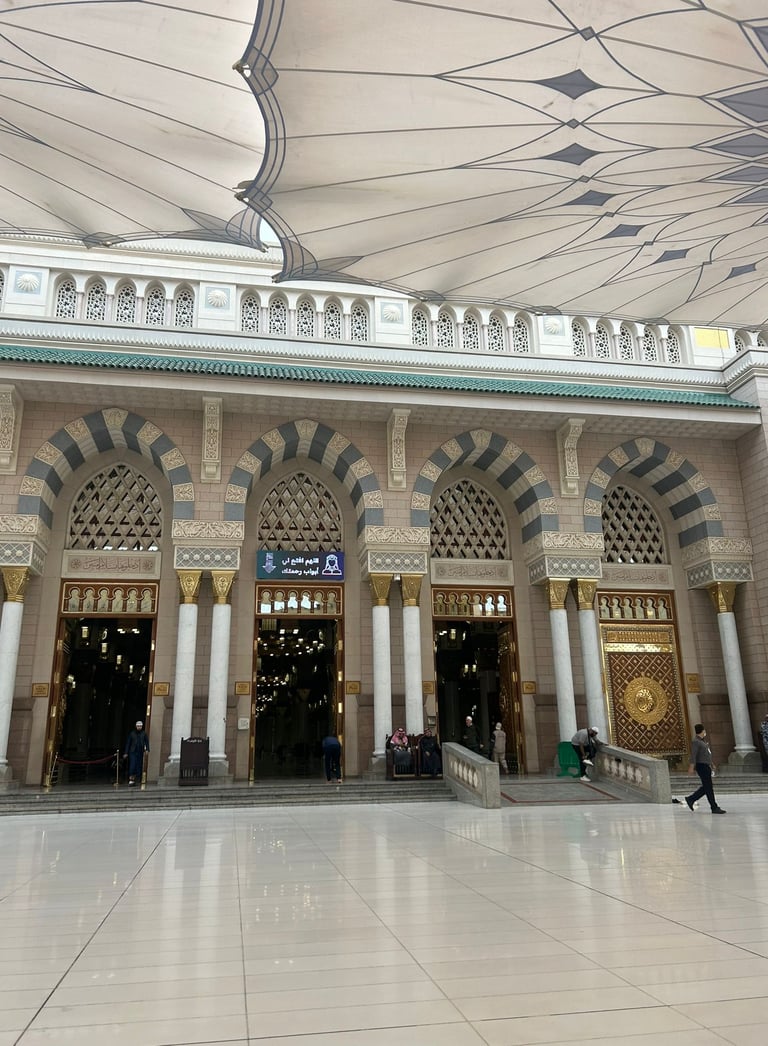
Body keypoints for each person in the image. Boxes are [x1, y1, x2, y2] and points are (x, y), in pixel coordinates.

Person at [684, 724, 726, 814]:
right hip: (701, 766)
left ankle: (691, 799)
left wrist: (711, 763)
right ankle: (714, 807)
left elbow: (707, 754)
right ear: (702, 731)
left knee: (707, 787)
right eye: (704, 730)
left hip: (706, 765)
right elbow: (694, 755)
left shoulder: (702, 741)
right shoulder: (696, 742)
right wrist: (691, 767)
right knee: (708, 787)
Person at [123, 720, 149, 786]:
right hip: (133, 752)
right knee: (132, 765)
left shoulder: (144, 733)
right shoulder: (132, 733)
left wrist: (147, 750)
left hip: (140, 752)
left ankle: (137, 779)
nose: (139, 727)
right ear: (136, 726)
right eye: (138, 726)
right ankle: (131, 779)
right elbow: (128, 743)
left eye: (140, 726)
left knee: (139, 766)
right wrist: (126, 752)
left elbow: (146, 742)